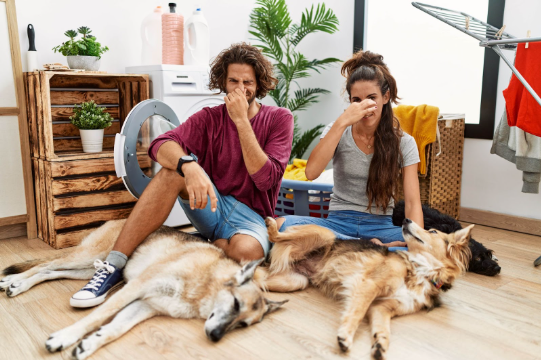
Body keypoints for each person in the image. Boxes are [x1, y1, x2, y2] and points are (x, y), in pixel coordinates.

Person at [70, 43, 294, 308]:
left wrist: (242, 122)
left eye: (248, 82)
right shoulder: (209, 118)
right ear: (223, 82)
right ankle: (112, 267)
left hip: (252, 216)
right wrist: (189, 166)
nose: (240, 88)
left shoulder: (280, 118)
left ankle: (204, 244)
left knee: (248, 254)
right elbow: (160, 144)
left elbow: (266, 179)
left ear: (259, 85)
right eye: (233, 80)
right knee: (172, 171)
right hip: (210, 203)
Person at [276, 50, 423, 247]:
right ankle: (372, 248)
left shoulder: (404, 142)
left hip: (380, 227)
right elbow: (311, 172)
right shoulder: (337, 129)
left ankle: (355, 247)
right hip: (338, 224)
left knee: (431, 243)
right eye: (357, 100)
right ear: (350, 101)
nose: (365, 105)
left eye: (372, 97)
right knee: (280, 225)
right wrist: (342, 122)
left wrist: (417, 243)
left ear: (385, 97)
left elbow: (413, 203)